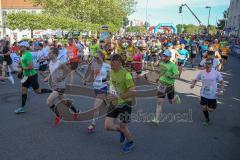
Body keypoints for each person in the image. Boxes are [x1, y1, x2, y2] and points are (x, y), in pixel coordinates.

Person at [104, 54, 136, 153]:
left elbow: (133, 92)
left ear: (119, 62)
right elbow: (114, 83)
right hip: (114, 103)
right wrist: (109, 85)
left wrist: (117, 96)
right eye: (110, 61)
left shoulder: (126, 74)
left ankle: (130, 142)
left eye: (113, 61)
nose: (110, 63)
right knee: (107, 126)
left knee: (123, 126)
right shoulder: (111, 71)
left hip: (125, 104)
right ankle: (121, 132)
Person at [14, 41, 52, 114]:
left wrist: (21, 67)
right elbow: (24, 63)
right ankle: (22, 107)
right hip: (26, 76)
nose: (19, 47)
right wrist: (20, 64)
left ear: (25, 47)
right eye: (20, 46)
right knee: (23, 90)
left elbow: (31, 67)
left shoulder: (27, 55)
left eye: (21, 46)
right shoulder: (23, 54)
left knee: (38, 91)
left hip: (32, 76)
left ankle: (53, 91)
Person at [46, 47, 79, 126]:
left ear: (55, 54)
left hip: (60, 86)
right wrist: (48, 77)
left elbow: (68, 71)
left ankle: (59, 116)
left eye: (50, 53)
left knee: (49, 101)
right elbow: (52, 72)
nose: (48, 54)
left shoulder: (60, 63)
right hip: (54, 85)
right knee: (63, 101)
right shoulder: (50, 63)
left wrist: (62, 77)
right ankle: (76, 110)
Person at [191, 58, 224, 125]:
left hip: (212, 95)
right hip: (203, 93)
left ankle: (214, 105)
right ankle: (207, 119)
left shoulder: (216, 73)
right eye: (206, 64)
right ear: (205, 64)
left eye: (209, 64)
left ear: (212, 65)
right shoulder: (202, 72)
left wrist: (221, 90)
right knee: (204, 107)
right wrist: (193, 84)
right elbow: (195, 79)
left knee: (210, 110)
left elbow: (222, 82)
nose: (207, 65)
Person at [152, 50, 181, 124]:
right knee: (159, 102)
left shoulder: (173, 65)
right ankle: (156, 119)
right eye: (163, 55)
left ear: (169, 57)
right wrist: (158, 78)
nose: (164, 57)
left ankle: (176, 97)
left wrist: (170, 76)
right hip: (162, 85)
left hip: (170, 86)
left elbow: (177, 76)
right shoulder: (161, 63)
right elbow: (161, 72)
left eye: (166, 56)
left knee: (171, 101)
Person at [86, 51, 110, 133]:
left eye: (98, 56)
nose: (96, 57)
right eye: (96, 56)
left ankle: (93, 124)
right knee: (104, 103)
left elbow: (111, 76)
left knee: (96, 107)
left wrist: (108, 81)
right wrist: (87, 79)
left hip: (103, 87)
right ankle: (110, 110)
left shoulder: (107, 66)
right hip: (95, 87)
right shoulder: (94, 64)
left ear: (102, 57)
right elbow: (91, 73)